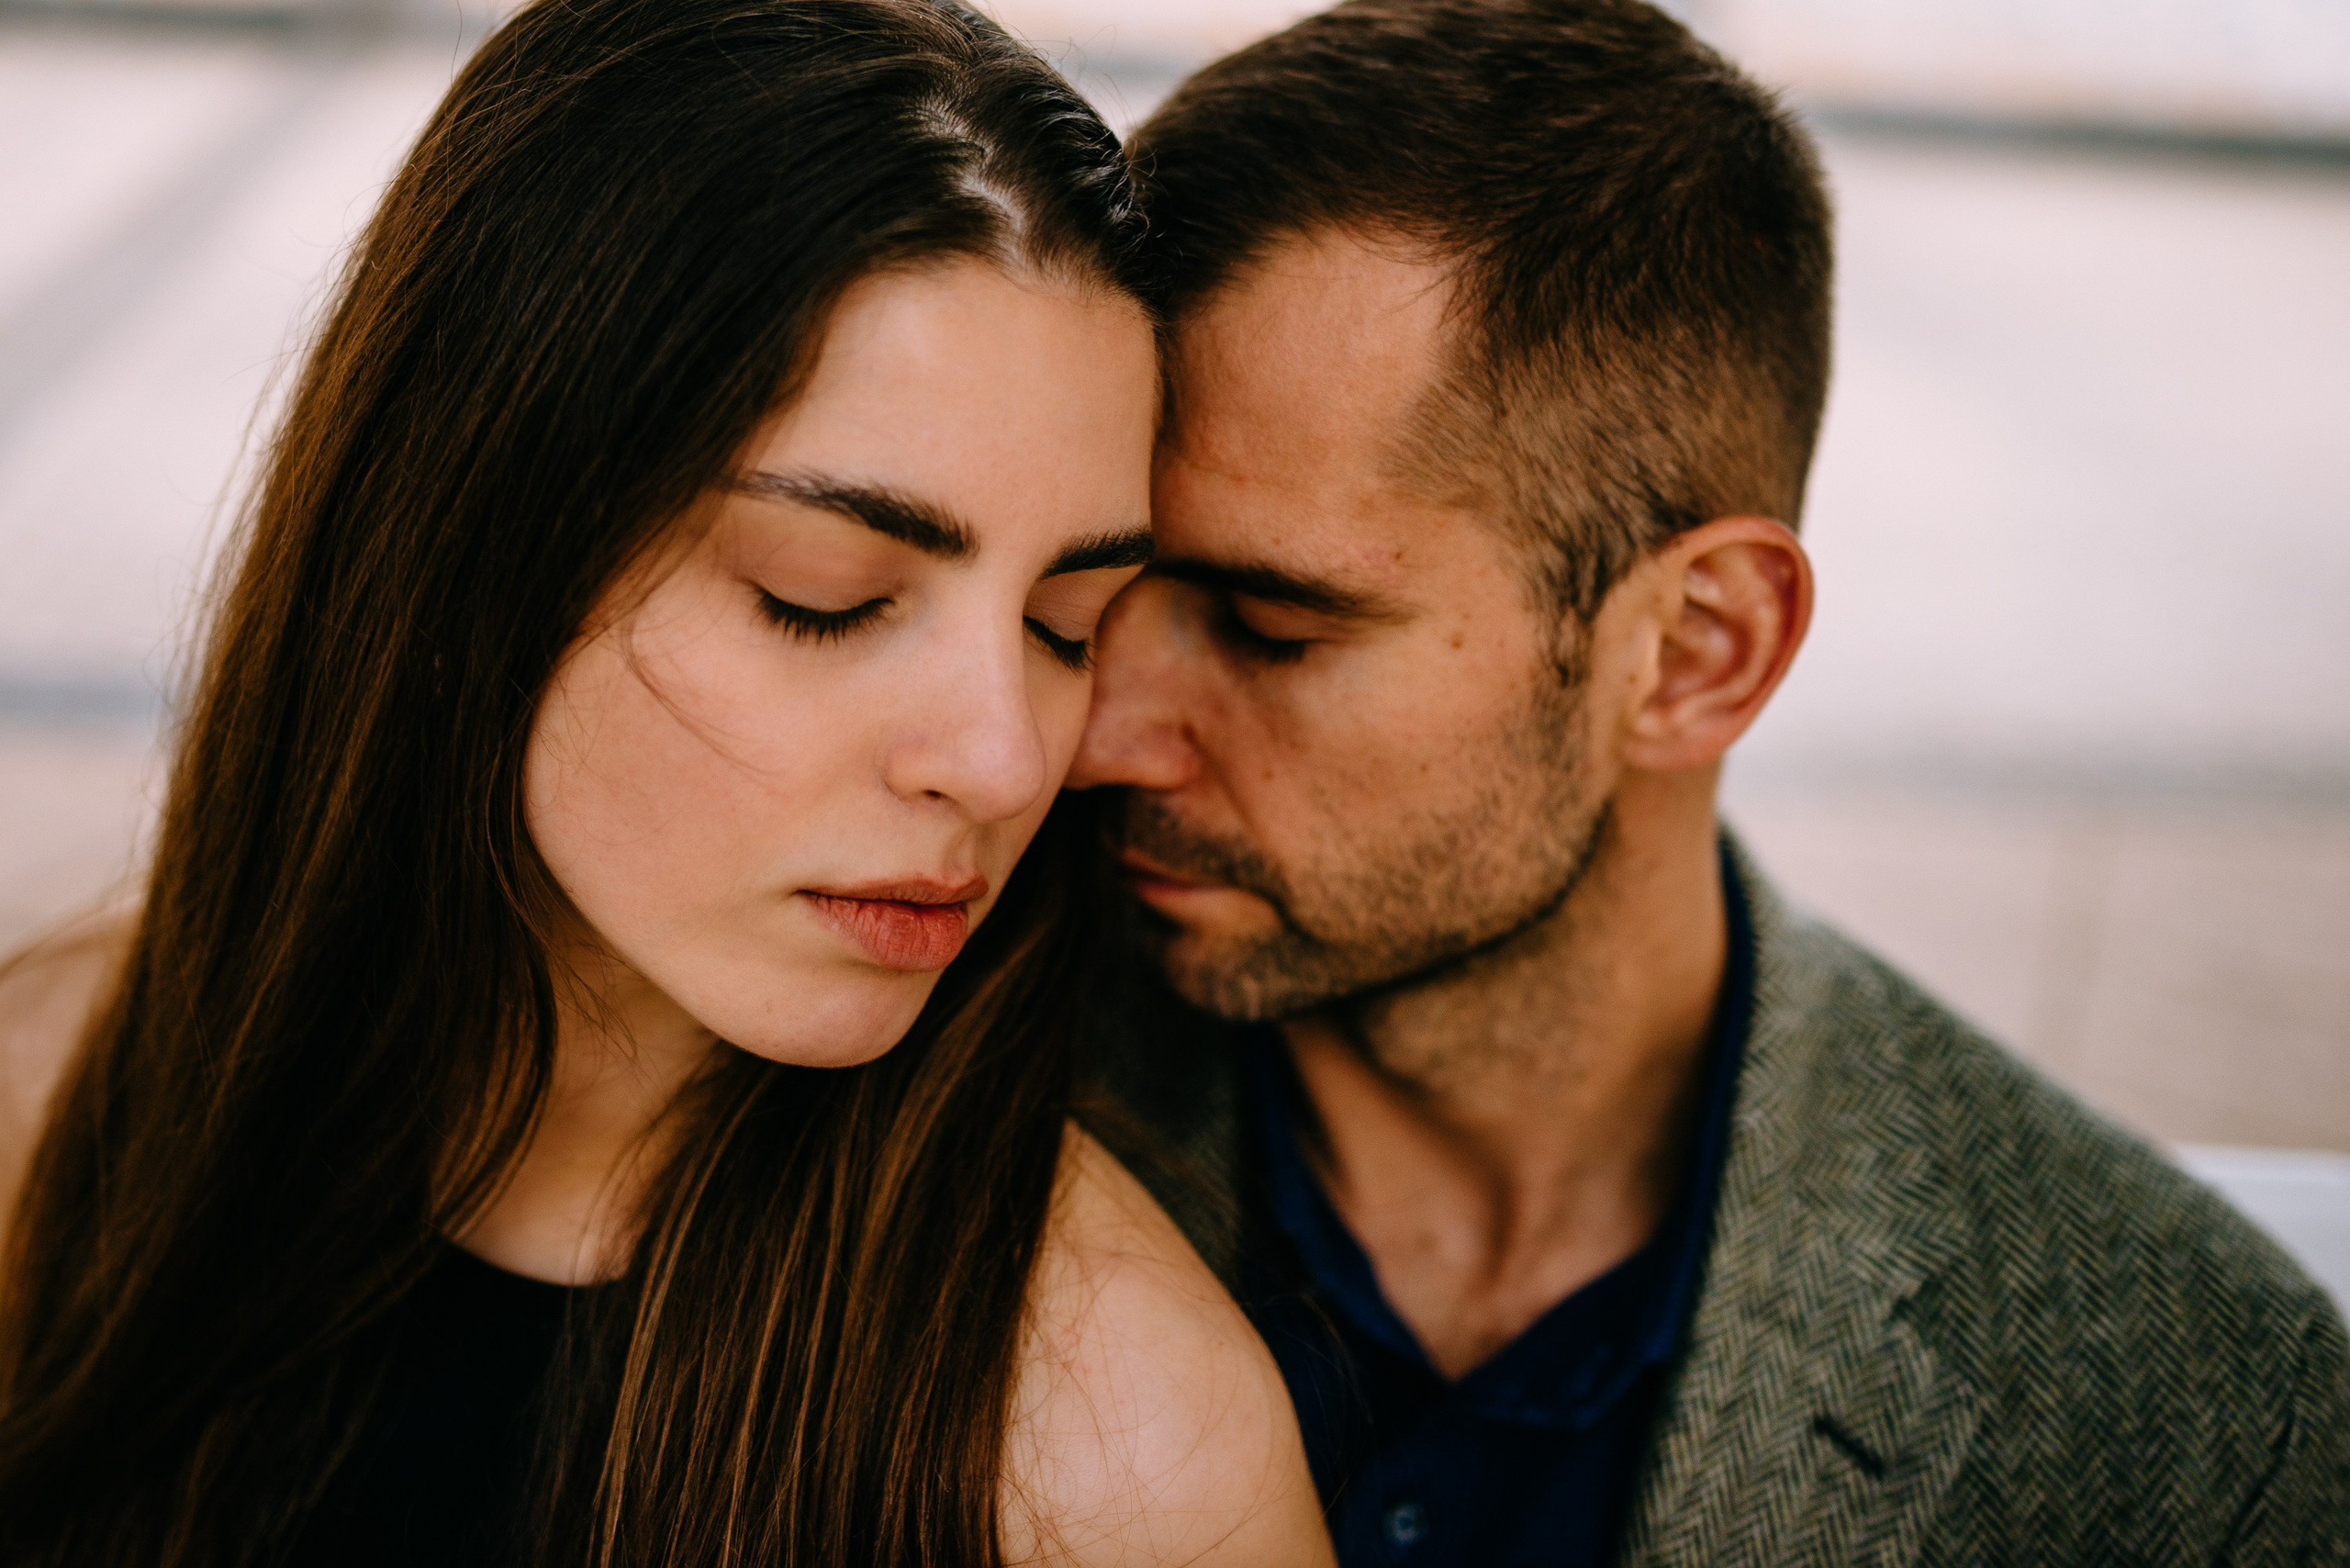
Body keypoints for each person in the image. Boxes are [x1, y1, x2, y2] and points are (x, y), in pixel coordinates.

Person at [0, 2, 1334, 1564]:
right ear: (472, 543)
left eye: (1065, 625)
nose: (1001, 757)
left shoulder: (1123, 1455)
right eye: (822, 593)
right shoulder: (48, 1101)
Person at [1069, 1, 2350, 1562]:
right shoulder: (880, 1085)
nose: (1091, 733)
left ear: (1696, 651)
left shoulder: (2196, 1426)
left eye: (1271, 629)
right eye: (1088, 599)